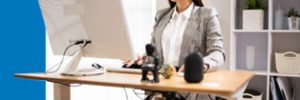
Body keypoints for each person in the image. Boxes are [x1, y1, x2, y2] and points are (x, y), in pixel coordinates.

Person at [125, 0, 225, 99]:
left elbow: (218, 52)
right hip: (161, 91)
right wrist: (144, 61)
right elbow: (153, 55)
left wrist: (200, 66)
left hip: (191, 91)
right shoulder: (161, 15)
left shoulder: (207, 15)